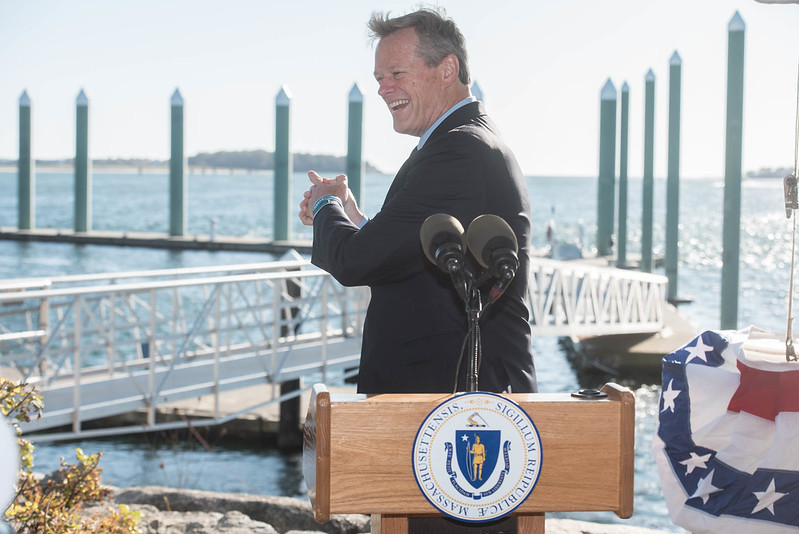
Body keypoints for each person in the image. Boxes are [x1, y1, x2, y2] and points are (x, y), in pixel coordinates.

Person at [299, 7, 537, 396]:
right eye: (379, 78)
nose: (382, 88)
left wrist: (326, 205)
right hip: (445, 399)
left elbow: (356, 260)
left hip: (455, 404)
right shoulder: (462, 142)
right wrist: (351, 213)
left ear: (447, 70)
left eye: (396, 74)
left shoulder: (459, 151)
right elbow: (404, 249)